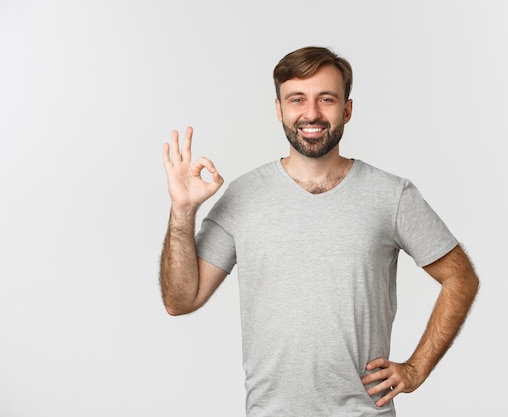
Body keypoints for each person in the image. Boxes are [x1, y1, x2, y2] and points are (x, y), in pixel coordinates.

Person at [160, 46, 479, 416]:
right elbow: (180, 300)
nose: (311, 113)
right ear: (279, 109)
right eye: (297, 99)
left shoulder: (392, 196)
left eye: (326, 99)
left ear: (347, 109)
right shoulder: (244, 196)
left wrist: (416, 368)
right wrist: (183, 212)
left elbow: (461, 278)